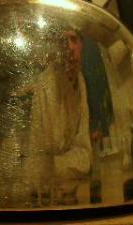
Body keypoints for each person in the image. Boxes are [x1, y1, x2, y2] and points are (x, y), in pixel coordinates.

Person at [26, 30, 92, 205]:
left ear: (81, 45)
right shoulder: (44, 86)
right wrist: (67, 162)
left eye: (73, 39)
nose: (70, 47)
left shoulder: (81, 82)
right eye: (63, 40)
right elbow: (36, 167)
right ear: (57, 47)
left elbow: (85, 158)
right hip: (45, 199)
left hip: (72, 196)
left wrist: (53, 164)